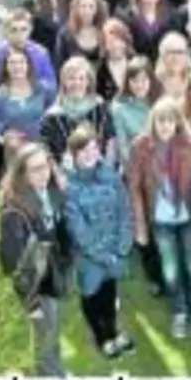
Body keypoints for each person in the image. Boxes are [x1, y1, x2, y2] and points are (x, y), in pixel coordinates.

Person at [128, 97, 191, 340]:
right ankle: (180, 310)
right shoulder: (141, 146)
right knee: (171, 270)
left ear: (177, 123)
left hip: (188, 216)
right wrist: (140, 225)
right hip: (160, 220)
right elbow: (135, 187)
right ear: (153, 121)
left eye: (169, 120)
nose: (164, 126)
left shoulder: (189, 144)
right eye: (160, 120)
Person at [0, 143, 71, 377]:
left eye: (46, 166)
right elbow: (13, 262)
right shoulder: (14, 212)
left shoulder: (50, 192)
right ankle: (51, 378)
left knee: (52, 327)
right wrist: (31, 301)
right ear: (23, 174)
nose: (44, 173)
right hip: (33, 283)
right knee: (45, 331)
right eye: (36, 169)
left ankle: (52, 371)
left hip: (50, 273)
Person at [63, 128, 136, 358]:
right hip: (90, 256)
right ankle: (101, 336)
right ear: (74, 154)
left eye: (94, 148)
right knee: (93, 295)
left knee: (110, 291)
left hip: (115, 248)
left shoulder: (110, 175)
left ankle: (113, 331)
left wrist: (123, 244)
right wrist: (103, 255)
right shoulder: (70, 187)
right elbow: (78, 229)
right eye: (83, 150)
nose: (89, 154)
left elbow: (125, 209)